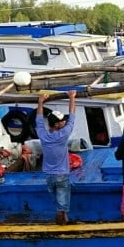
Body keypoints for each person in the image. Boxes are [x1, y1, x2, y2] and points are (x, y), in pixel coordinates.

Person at [36, 90, 76, 225]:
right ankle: (61, 224)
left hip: (48, 175)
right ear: (57, 125)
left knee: (60, 202)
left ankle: (64, 219)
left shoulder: (43, 134)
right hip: (61, 175)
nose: (64, 122)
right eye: (62, 121)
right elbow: (72, 116)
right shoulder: (63, 135)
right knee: (61, 206)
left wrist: (40, 102)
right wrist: (72, 98)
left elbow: (39, 120)